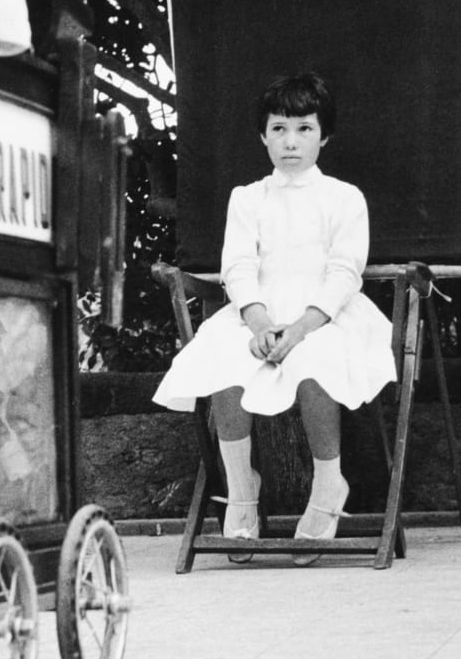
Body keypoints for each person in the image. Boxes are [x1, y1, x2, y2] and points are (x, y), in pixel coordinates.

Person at [153, 72, 397, 564]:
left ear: (323, 136)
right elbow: (238, 267)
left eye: (304, 129)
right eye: (280, 128)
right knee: (224, 359)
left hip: (326, 318)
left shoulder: (344, 198)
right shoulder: (248, 198)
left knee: (314, 363)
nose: (291, 142)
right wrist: (260, 324)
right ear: (263, 134)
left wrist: (302, 327)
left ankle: (329, 486)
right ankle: (242, 491)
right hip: (258, 316)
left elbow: (344, 271)